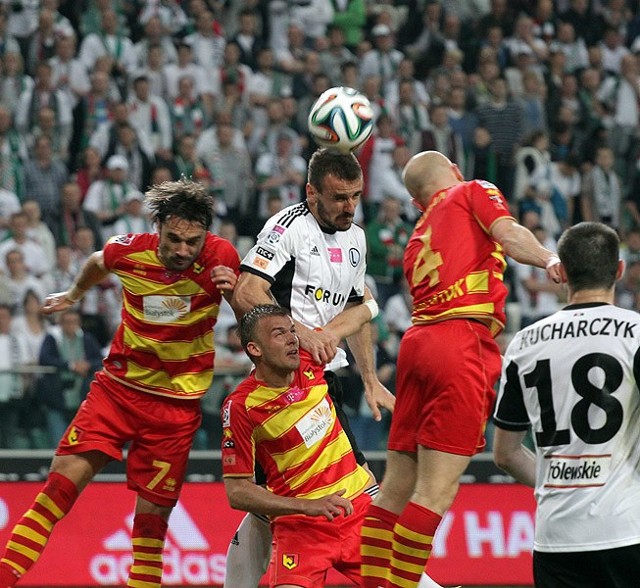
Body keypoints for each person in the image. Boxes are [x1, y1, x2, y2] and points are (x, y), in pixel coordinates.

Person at [0, 179, 240, 588]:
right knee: (56, 491)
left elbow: (250, 305)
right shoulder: (127, 251)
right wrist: (75, 294)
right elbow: (97, 260)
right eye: (174, 239)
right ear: (157, 227)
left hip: (175, 409)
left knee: (151, 529)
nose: (183, 250)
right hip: (117, 393)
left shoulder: (222, 257)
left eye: (192, 241)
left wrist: (234, 292)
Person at [359, 150, 562, 588]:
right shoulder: (472, 191)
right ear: (454, 172)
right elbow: (507, 233)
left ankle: (372, 584)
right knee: (436, 491)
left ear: (416, 202)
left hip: (417, 345)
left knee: (395, 488)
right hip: (460, 343)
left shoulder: (415, 238)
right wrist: (547, 257)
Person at [225, 147, 402, 587]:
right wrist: (304, 334)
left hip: (328, 378)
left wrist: (368, 380)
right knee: (296, 499)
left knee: (283, 504)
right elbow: (249, 291)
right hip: (285, 377)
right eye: (339, 197)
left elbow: (358, 307)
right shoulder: (287, 227)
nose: (349, 207)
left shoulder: (357, 238)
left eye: (356, 197)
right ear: (311, 192)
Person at [493, 222, 640, 588]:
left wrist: (553, 483)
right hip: (626, 530)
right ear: (618, 270)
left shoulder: (524, 344)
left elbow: (506, 454)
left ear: (562, 272)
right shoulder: (635, 333)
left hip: (556, 538)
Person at [221, 304, 378, 588]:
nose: (293, 338)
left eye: (292, 331)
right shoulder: (242, 407)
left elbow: (355, 317)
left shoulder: (311, 357)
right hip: (300, 528)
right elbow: (237, 492)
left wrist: (368, 302)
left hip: (358, 514)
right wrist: (308, 506)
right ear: (255, 349)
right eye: (279, 334)